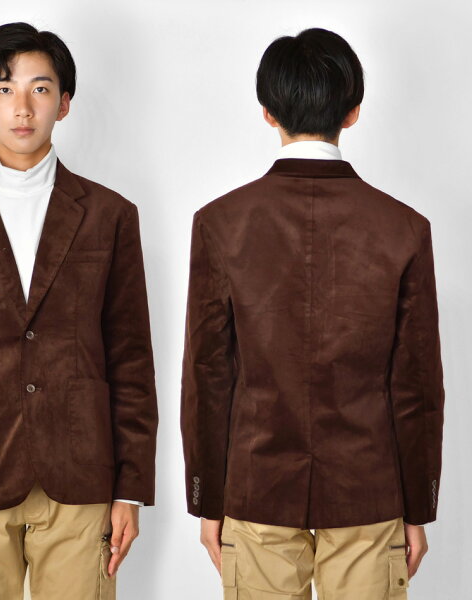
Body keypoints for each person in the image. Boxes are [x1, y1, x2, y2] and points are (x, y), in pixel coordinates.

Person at [180, 27, 444, 599]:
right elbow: (417, 388)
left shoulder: (220, 223)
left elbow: (208, 375)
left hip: (256, 489)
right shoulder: (404, 228)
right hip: (369, 492)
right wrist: (418, 509)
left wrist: (208, 499)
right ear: (352, 112)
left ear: (268, 112)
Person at [0, 21, 158, 599]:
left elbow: (131, 360)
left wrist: (130, 490)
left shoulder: (110, 216)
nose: (22, 107)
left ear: (63, 104)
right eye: (4, 89)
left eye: (40, 89)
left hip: (81, 476)